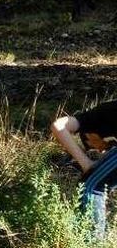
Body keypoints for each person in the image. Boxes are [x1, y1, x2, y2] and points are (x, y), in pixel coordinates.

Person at [51, 101, 117, 237]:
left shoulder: (93, 118)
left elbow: (58, 125)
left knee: (91, 187)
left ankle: (93, 242)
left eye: (96, 147)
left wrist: (85, 163)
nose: (101, 151)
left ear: (88, 136)